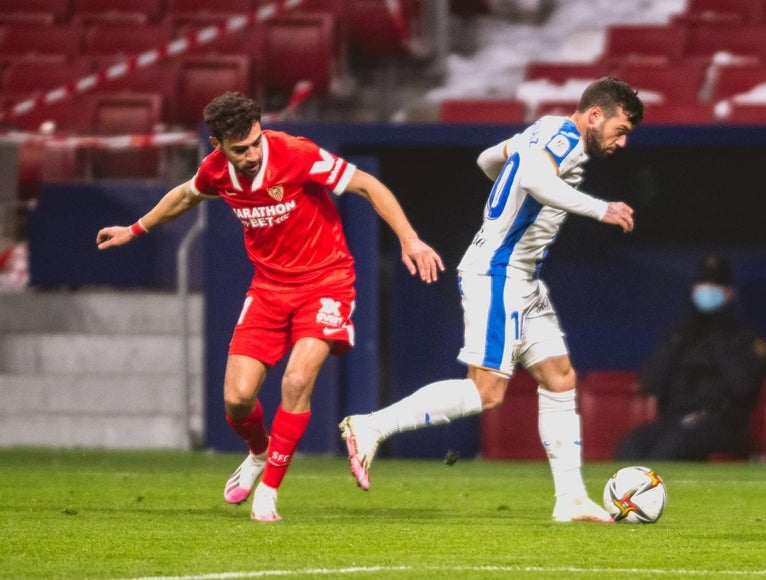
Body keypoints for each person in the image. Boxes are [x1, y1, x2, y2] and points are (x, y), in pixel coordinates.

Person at [96, 92, 444, 522]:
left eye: (256, 142)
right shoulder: (216, 173)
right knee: (237, 400)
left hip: (326, 281)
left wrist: (409, 238)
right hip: (269, 289)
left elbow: (367, 185)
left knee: (297, 381)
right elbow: (184, 197)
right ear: (217, 145)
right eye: (240, 148)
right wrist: (135, 229)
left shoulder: (296, 154)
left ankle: (269, 493)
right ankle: (259, 453)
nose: (252, 154)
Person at [339, 77, 643, 522]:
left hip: (524, 277)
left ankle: (572, 498)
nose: (622, 141)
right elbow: (537, 177)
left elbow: (487, 159)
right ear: (595, 115)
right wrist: (601, 208)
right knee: (487, 391)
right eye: (621, 129)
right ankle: (372, 426)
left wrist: (514, 174)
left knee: (559, 377)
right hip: (499, 272)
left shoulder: (542, 130)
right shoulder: (562, 136)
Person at [614, 255, 766, 461]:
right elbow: (648, 383)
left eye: (715, 286)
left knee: (674, 443)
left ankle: (654, 492)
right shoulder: (679, 336)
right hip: (673, 420)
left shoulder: (746, 340)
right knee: (631, 445)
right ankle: (631, 493)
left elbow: (743, 388)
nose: (707, 291)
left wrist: (716, 340)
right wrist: (677, 342)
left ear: (730, 293)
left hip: (721, 425)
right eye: (702, 285)